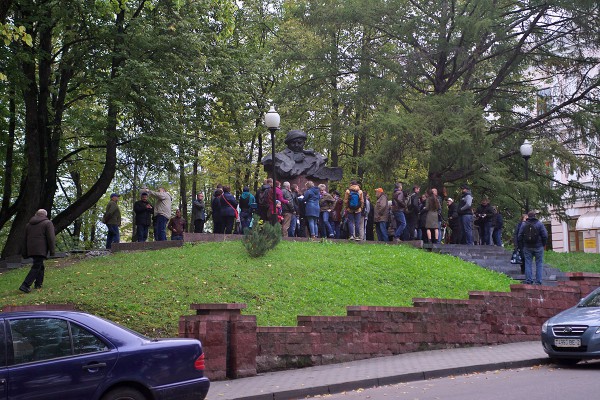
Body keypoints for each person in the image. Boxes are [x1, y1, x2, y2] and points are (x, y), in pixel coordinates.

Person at [261, 130, 342, 181]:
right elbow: (285, 172)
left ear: (304, 143)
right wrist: (293, 159)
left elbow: (322, 160)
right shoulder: (277, 156)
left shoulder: (313, 156)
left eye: (299, 143)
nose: (296, 145)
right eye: (293, 143)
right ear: (288, 144)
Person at [19, 209, 56, 293]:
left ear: (36, 214)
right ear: (45, 215)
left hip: (31, 248)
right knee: (36, 266)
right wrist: (52, 250)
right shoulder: (47, 223)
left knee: (40, 266)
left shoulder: (28, 225)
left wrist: (24, 252)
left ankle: (38, 284)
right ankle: (25, 285)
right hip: (41, 249)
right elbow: (51, 238)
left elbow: (24, 239)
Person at [518, 211, 548, 285]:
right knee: (539, 263)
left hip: (527, 247)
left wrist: (522, 246)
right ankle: (538, 281)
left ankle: (529, 280)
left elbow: (519, 236)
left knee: (528, 263)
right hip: (538, 247)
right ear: (535, 216)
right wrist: (543, 244)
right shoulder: (539, 224)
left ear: (528, 216)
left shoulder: (524, 224)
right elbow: (545, 235)